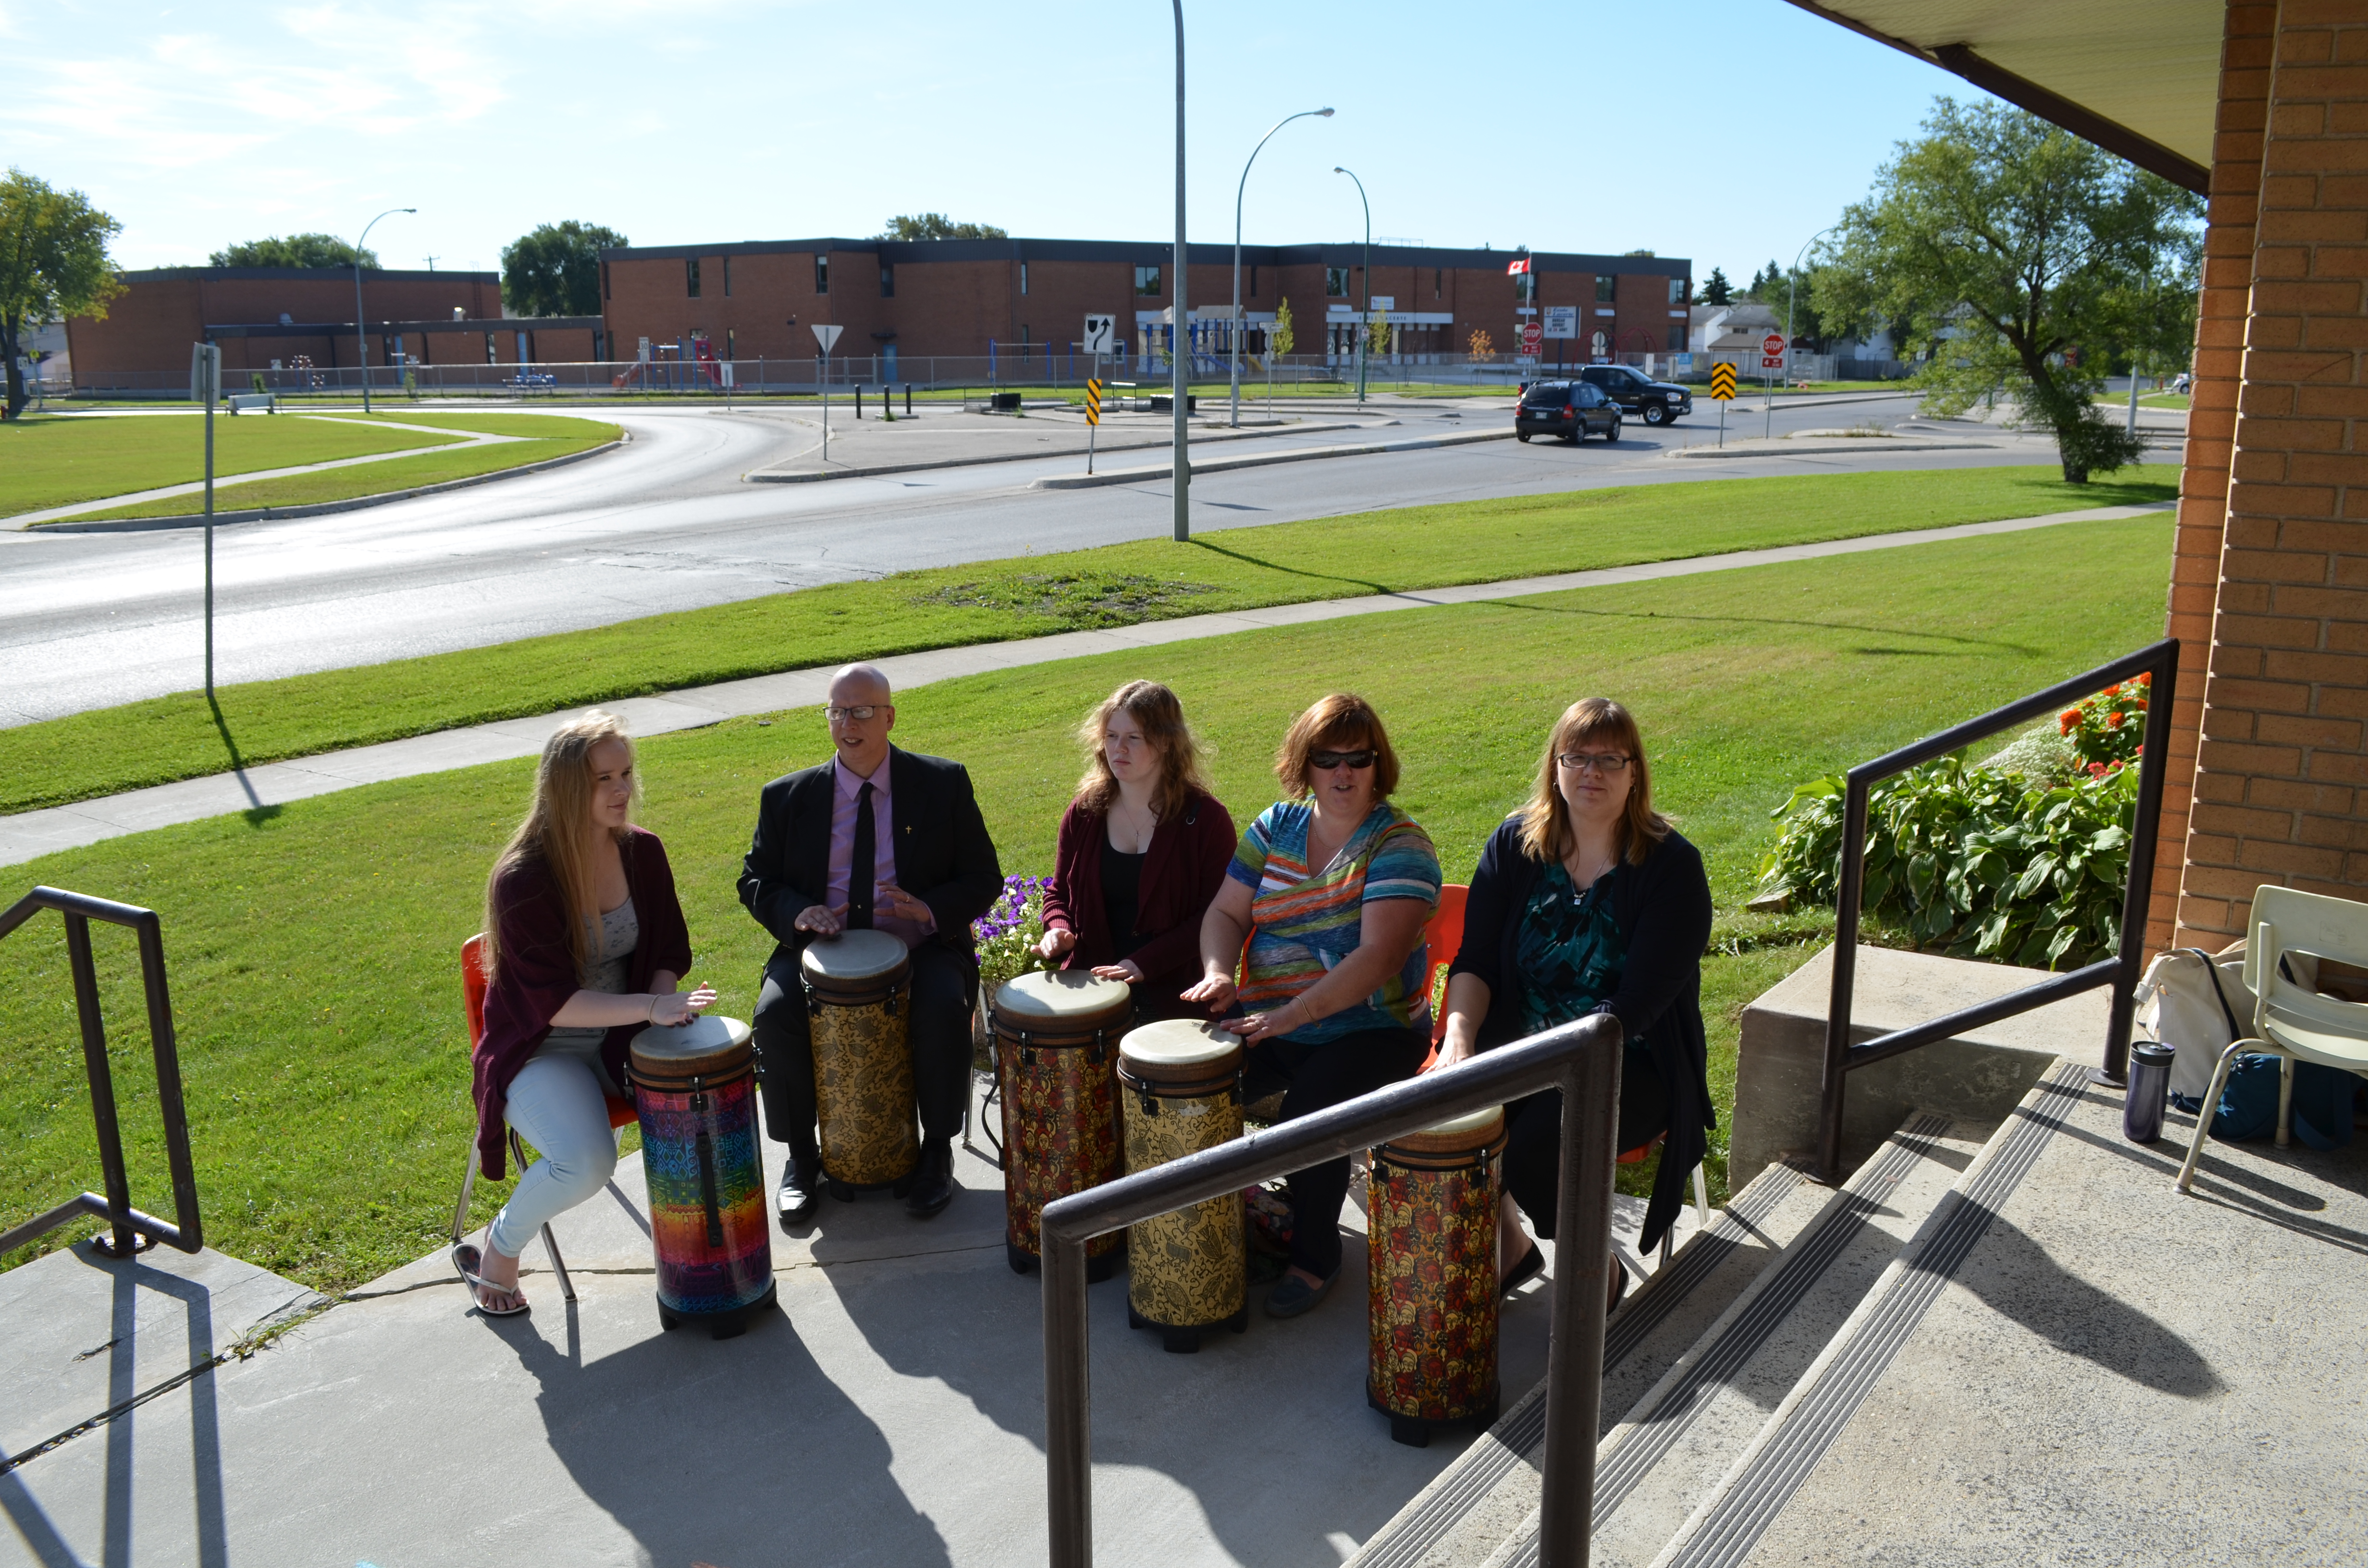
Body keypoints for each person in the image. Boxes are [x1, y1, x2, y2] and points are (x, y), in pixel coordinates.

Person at [1432, 698, 1714, 1305]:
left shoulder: (1671, 868)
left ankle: (1596, 1271)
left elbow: (1635, 1005)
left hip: (1628, 1063)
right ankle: (1510, 1243)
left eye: (1610, 759)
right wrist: (1457, 1042)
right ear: (1554, 768)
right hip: (1520, 1046)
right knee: (1446, 1119)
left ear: (1634, 772)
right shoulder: (1514, 845)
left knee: (1535, 1144)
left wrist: (1532, 1066)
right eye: (1577, 757)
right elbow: (1476, 961)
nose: (1592, 772)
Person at [1184, 693, 1440, 1319]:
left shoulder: (1399, 844)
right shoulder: (1275, 827)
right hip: (1271, 1019)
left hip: (1374, 1030)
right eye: (1328, 759)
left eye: (1359, 758)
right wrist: (1219, 974)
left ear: (1380, 765)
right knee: (1186, 1086)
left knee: (1310, 1111)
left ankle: (1315, 1256)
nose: (1344, 773)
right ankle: (1224, 1222)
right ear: (1306, 764)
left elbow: (1377, 959)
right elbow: (1223, 911)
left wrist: (1286, 1019)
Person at [462, 711, 715, 1317]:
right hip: (542, 1048)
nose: (622, 789)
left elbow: (665, 952)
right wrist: (653, 1008)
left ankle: (707, 1259)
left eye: (626, 773)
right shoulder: (522, 880)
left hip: (622, 1037)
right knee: (588, 1162)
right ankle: (498, 1250)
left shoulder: (642, 852)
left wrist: (665, 1008)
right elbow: (554, 1004)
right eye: (604, 779)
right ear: (566, 788)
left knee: (709, 1100)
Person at [740, 663, 1003, 1226]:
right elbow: (755, 880)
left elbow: (984, 877)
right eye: (836, 711)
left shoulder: (941, 784)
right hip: (819, 955)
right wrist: (797, 912)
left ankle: (935, 1151)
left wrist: (929, 910)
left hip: (918, 948)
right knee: (775, 1013)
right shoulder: (787, 798)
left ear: (889, 717)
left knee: (937, 1006)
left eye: (860, 711)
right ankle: (801, 1158)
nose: (847, 723)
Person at [1033, 680, 1237, 1019]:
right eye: (1111, 736)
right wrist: (1058, 929)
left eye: (1134, 738)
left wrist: (1143, 964)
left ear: (1166, 743)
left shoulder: (1206, 820)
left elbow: (1215, 915)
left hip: (1176, 995)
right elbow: (1058, 893)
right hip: (1091, 986)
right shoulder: (1085, 812)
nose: (1118, 750)